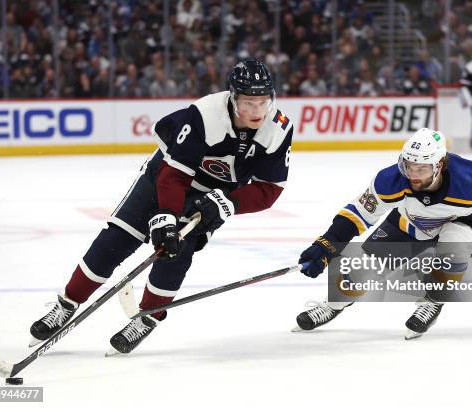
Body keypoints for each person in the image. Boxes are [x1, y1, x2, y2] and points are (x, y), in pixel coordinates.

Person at [28, 59, 294, 354]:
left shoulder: (278, 129)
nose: (257, 111)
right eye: (248, 102)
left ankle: (148, 317)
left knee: (177, 253)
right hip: (164, 177)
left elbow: (269, 189)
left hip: (212, 196)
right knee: (116, 240)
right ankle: (67, 304)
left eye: (263, 102)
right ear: (233, 98)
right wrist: (166, 217)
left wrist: (227, 203)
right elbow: (175, 174)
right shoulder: (205, 115)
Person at [294, 128, 472, 339]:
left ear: (440, 165)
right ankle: (334, 304)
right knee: (363, 269)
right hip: (413, 225)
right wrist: (328, 243)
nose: (412, 175)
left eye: (421, 168)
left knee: (453, 244)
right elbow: (357, 214)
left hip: (469, 222)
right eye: (408, 166)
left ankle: (433, 299)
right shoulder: (391, 181)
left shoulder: (471, 183)